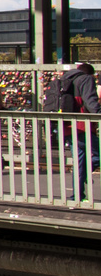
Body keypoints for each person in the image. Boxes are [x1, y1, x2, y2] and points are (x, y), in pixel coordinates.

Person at [44, 62, 101, 197]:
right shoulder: (87, 79)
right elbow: (90, 102)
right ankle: (85, 176)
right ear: (90, 73)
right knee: (96, 155)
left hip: (67, 126)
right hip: (82, 126)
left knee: (80, 161)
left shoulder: (65, 79)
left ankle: (77, 195)